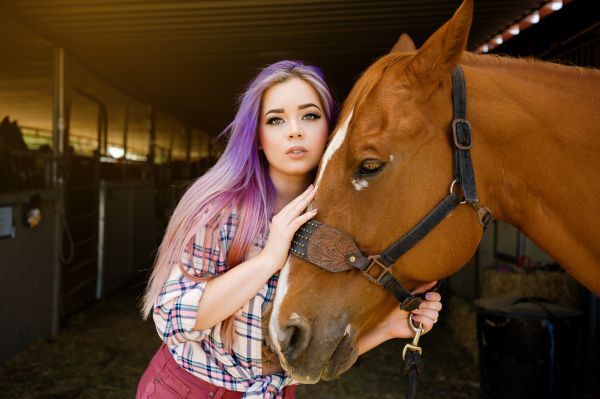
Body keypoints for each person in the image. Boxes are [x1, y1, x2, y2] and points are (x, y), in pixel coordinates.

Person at [137, 60, 443, 399]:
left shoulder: (337, 224)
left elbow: (302, 353)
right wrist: (269, 258)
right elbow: (173, 319)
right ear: (257, 136)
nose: (294, 130)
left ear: (332, 129)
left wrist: (387, 329)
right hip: (189, 391)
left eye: (310, 116)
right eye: (276, 119)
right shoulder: (220, 211)